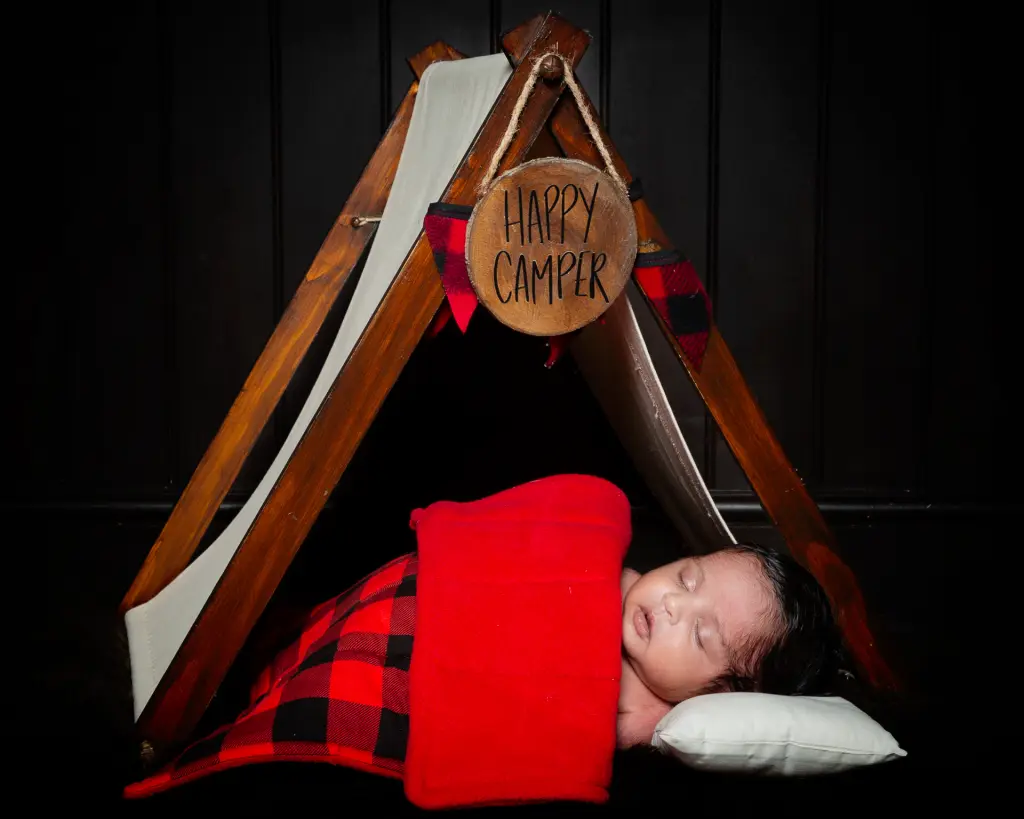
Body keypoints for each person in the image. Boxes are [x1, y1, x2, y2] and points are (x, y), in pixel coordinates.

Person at [616, 541, 847, 749]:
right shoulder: (616, 573)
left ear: (716, 696)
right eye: (686, 581)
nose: (672, 603)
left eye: (699, 634)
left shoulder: (644, 718)